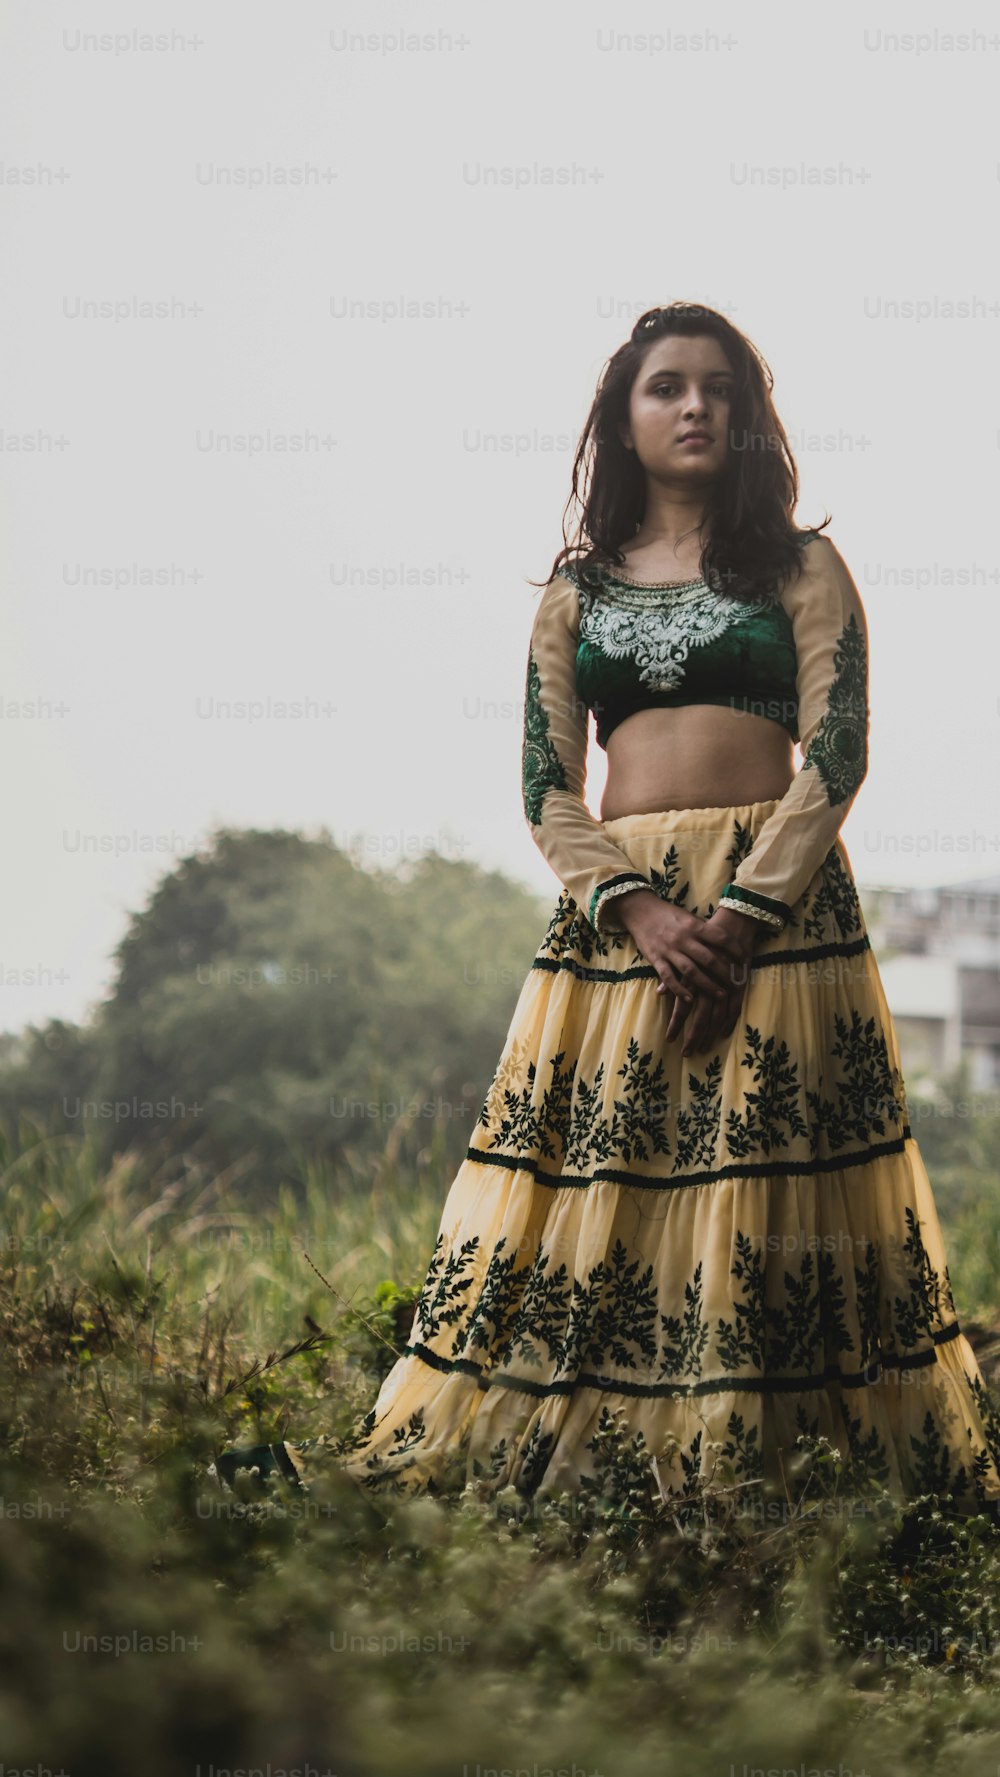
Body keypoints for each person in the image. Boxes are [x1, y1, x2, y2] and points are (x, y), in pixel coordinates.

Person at [216, 302, 1000, 1520]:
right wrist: (641, 915)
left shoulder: (800, 566)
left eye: (718, 388)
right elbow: (544, 784)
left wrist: (739, 916)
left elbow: (835, 751)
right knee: (606, 1179)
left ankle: (777, 1481)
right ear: (622, 421)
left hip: (782, 924)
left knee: (774, 1183)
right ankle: (610, 1469)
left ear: (746, 418)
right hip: (619, 936)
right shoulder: (576, 593)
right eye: (665, 387)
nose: (694, 407)